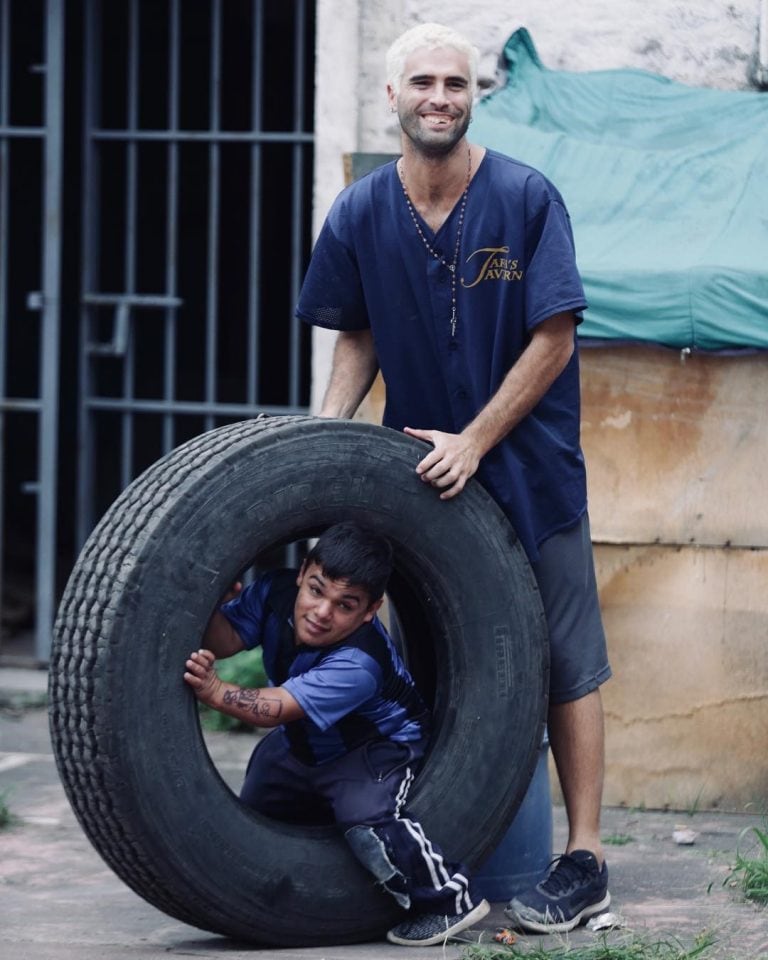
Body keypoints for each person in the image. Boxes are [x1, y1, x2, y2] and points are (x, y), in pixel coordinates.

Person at [295, 22, 613, 935]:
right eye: (423, 82)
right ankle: (447, 860)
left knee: (564, 662)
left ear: (475, 97)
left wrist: (477, 438)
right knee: (435, 667)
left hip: (530, 471)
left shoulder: (524, 197)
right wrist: (320, 447)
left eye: (458, 83)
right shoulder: (360, 212)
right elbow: (354, 333)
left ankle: (586, 861)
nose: (441, 96)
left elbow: (555, 335)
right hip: (420, 482)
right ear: (391, 99)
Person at [183, 521, 490, 947]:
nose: (322, 612)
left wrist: (215, 691)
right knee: (257, 804)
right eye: (316, 589)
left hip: (374, 748)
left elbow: (275, 709)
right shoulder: (275, 593)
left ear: (369, 610)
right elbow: (228, 639)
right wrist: (212, 605)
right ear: (302, 572)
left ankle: (448, 899)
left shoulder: (358, 662)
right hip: (303, 738)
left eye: (346, 605)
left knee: (367, 819)